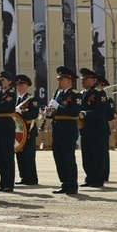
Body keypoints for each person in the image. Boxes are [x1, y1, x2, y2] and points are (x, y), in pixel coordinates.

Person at [45, 67, 82, 195]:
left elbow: (74, 112)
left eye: (61, 79)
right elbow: (55, 112)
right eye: (58, 79)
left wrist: (58, 107)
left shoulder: (76, 94)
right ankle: (64, 183)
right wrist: (50, 111)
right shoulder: (58, 94)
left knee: (68, 158)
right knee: (59, 158)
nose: (59, 81)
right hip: (58, 129)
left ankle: (72, 185)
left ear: (69, 80)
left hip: (68, 129)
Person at [78, 69, 111, 187]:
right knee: (86, 155)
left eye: (86, 79)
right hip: (85, 128)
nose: (83, 81)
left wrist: (85, 114)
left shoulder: (99, 93)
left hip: (97, 129)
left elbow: (100, 111)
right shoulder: (82, 94)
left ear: (93, 80)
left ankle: (98, 179)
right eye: (82, 79)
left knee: (97, 155)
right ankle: (89, 178)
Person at [14, 74, 40, 185]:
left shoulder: (31, 99)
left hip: (29, 130)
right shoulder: (17, 99)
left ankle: (32, 178)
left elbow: (34, 114)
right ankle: (24, 177)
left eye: (21, 85)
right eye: (17, 85)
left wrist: (21, 112)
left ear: (27, 86)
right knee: (20, 155)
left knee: (28, 155)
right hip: (19, 131)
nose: (19, 87)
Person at [0, 70, 18, 193]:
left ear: (9, 82)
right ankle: (3, 182)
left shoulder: (11, 93)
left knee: (8, 155)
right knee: (0, 155)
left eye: (3, 80)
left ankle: (9, 183)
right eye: (0, 80)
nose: (1, 82)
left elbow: (5, 106)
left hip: (7, 124)